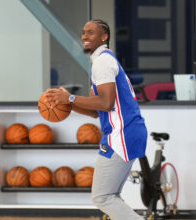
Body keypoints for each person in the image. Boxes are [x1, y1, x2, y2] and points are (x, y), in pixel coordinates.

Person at [45, 19, 147, 220]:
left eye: (91, 33)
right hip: (128, 132)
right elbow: (96, 111)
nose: (85, 36)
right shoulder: (102, 62)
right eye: (83, 33)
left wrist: (71, 98)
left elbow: (106, 103)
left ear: (104, 37)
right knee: (111, 196)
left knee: (102, 197)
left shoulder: (103, 62)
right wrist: (69, 104)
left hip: (122, 134)